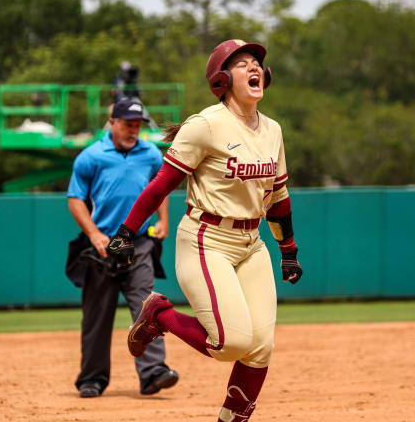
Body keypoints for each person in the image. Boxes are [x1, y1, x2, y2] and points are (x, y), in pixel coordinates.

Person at [106, 39, 303, 421]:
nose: (254, 68)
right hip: (206, 239)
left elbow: (278, 197)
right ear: (222, 79)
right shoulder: (206, 125)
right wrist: (126, 231)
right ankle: (159, 315)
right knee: (230, 343)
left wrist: (289, 250)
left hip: (252, 242)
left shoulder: (273, 130)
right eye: (243, 63)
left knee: (260, 347)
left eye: (257, 63)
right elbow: (161, 184)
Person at [67, 98, 179, 398]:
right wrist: (93, 234)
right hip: (102, 246)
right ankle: (92, 378)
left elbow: (160, 188)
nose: (133, 130)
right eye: (128, 124)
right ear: (113, 122)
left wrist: (164, 219)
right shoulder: (91, 156)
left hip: (139, 244)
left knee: (148, 309)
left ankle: (153, 373)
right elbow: (75, 199)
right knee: (96, 316)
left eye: (138, 125)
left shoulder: (151, 154)